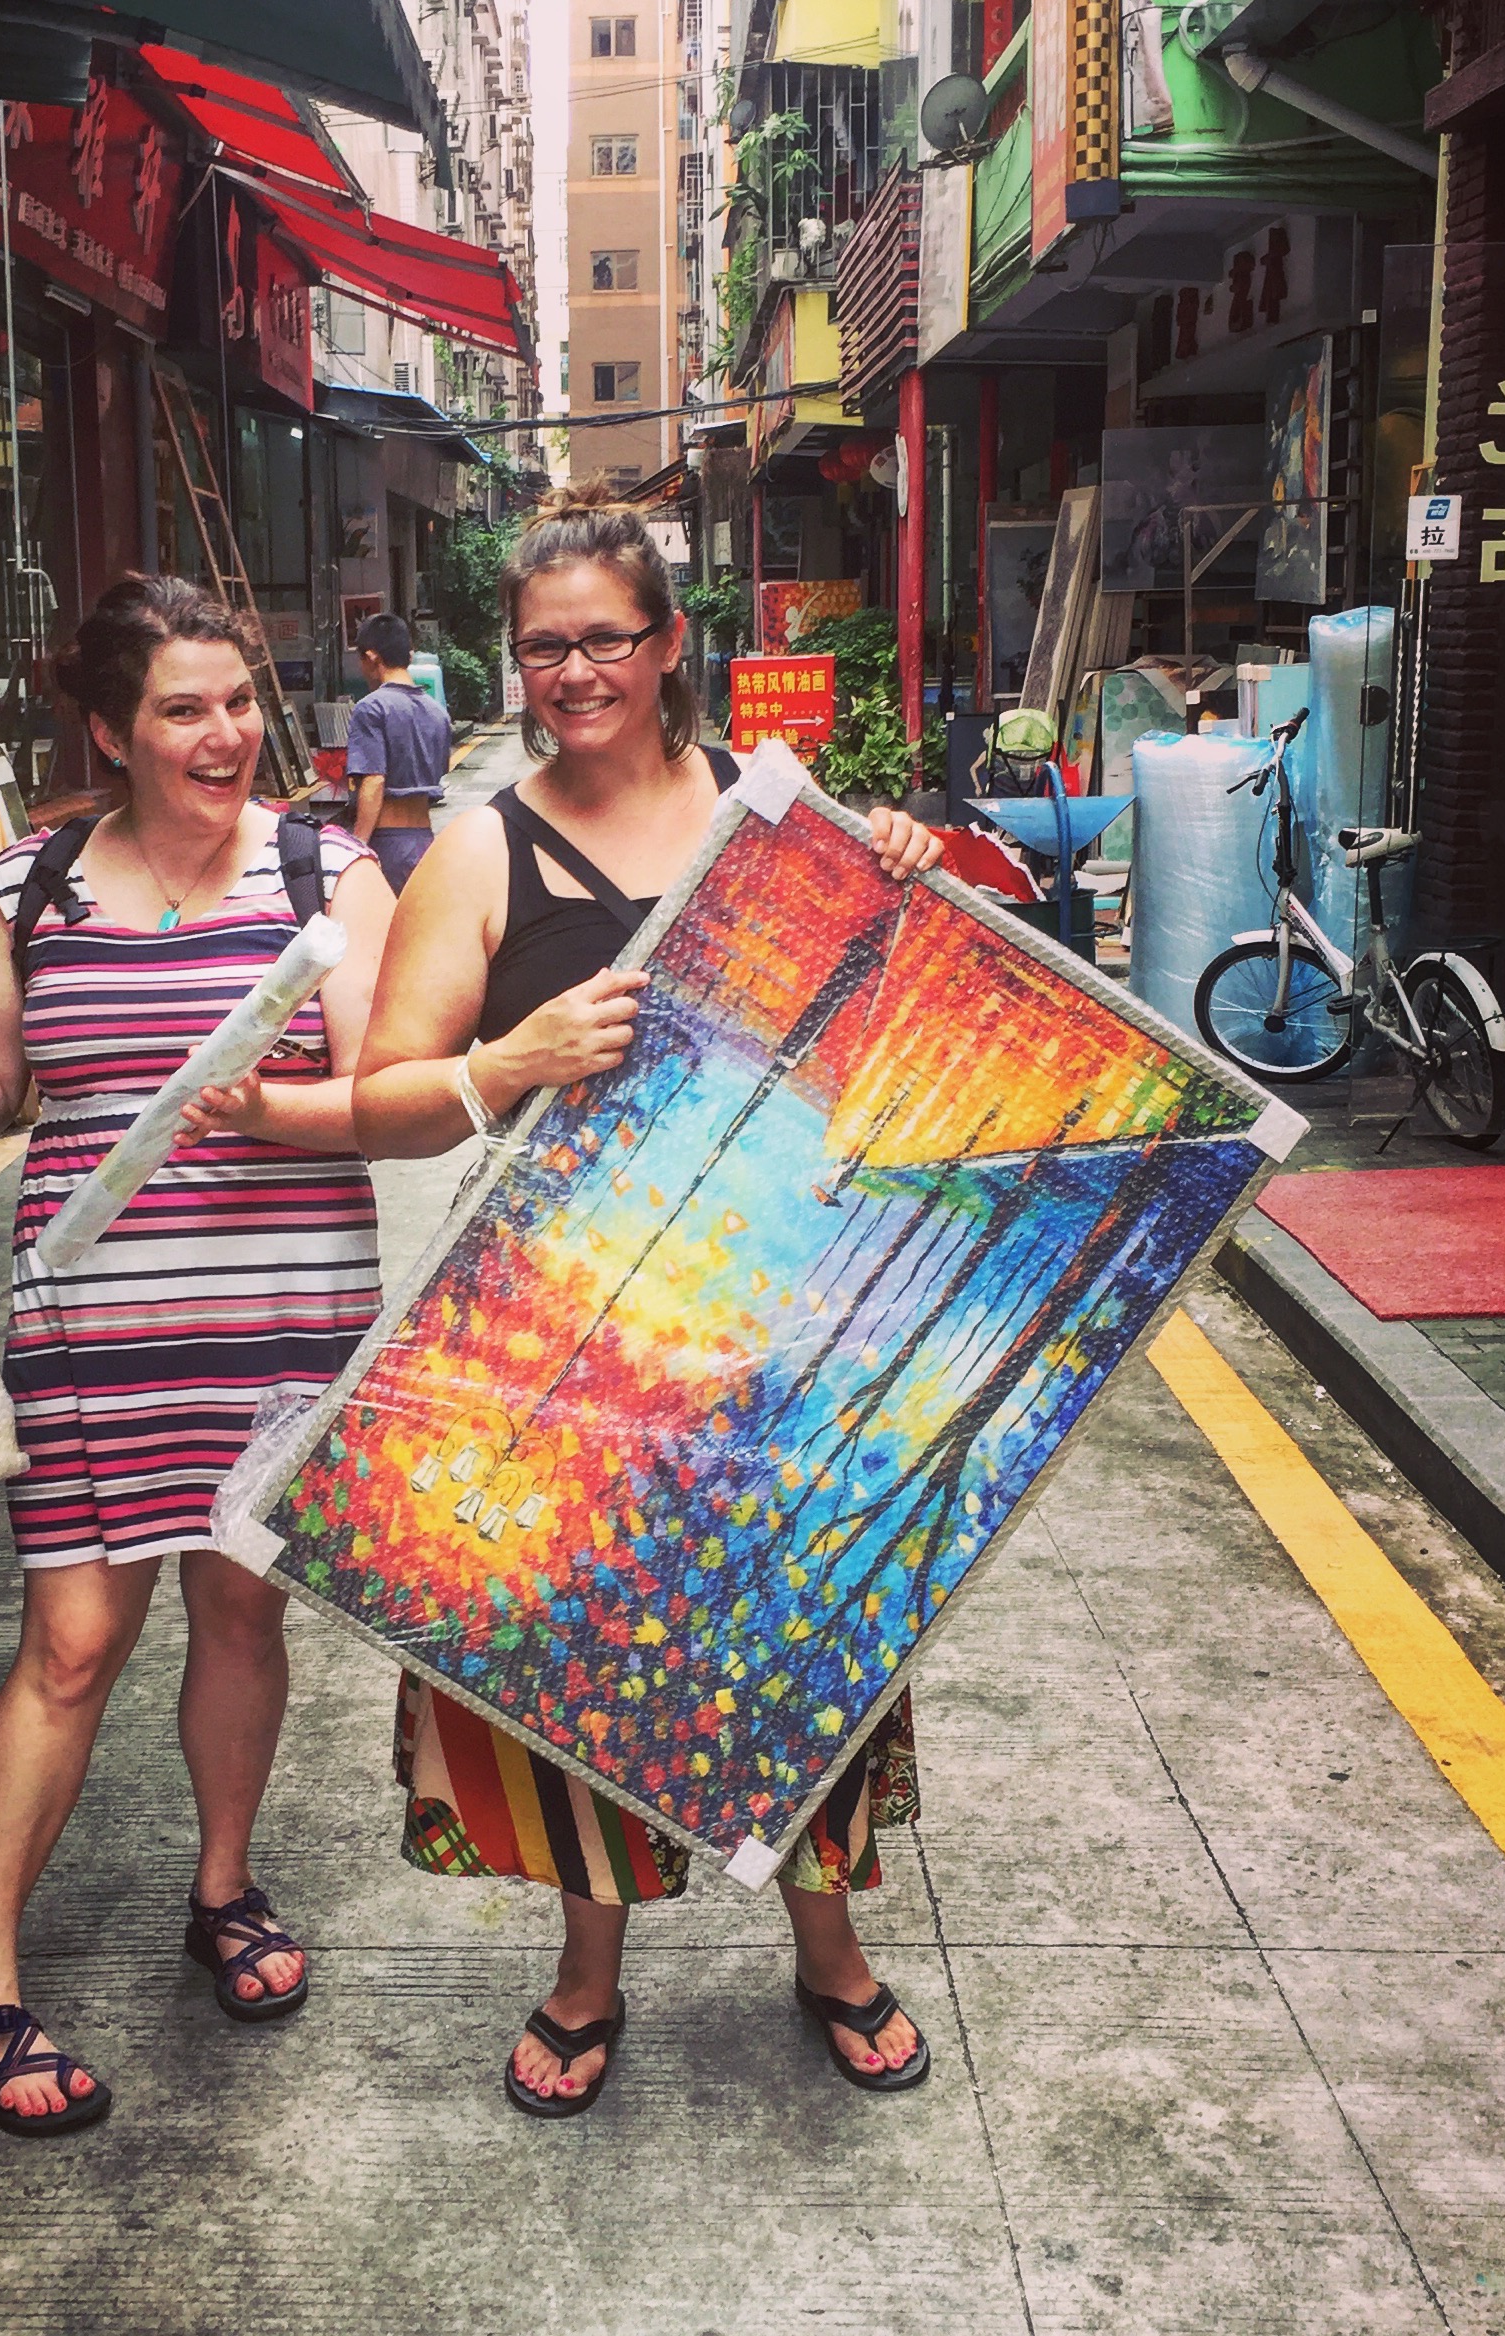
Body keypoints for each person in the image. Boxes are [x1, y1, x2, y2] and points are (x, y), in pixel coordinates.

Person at [351, 484, 944, 2118]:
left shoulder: (775, 817)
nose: (573, 673)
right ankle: (584, 1973)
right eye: (543, 648)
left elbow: (884, 1035)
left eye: (605, 640)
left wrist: (896, 867)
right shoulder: (482, 849)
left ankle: (829, 1950)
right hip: (569, 1344)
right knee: (578, 1656)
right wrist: (503, 1063)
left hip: (784, 1333)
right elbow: (385, 1097)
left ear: (670, 643)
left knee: (799, 1647)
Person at [0, 575, 394, 2136]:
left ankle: (224, 1888)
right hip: (91, 1323)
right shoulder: (28, 885)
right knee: (72, 1644)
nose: (226, 735)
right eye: (183, 710)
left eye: (239, 702)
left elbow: (386, 1090)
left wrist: (281, 1101)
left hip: (283, 1314)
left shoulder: (328, 876)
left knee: (240, 1609)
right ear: (109, 731)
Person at [343, 610, 450, 896]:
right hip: (425, 841)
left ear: (371, 657)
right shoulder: (438, 713)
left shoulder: (371, 708)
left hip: (387, 843)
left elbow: (374, 781)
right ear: (409, 656)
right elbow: (440, 772)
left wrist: (357, 848)